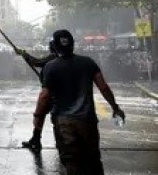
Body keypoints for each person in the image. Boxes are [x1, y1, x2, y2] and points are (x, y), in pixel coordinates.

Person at [35, 29, 125, 175]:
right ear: (73, 44)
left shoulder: (50, 67)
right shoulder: (88, 63)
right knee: (93, 160)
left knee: (72, 162)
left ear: (55, 46)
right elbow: (103, 86)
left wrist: (38, 117)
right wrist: (115, 108)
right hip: (87, 120)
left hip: (64, 123)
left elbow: (44, 96)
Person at [15, 41, 59, 151]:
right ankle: (37, 139)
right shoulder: (62, 58)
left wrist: (24, 54)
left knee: (40, 115)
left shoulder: (54, 57)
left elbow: (37, 62)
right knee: (52, 116)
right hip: (59, 92)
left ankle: (37, 140)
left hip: (51, 92)